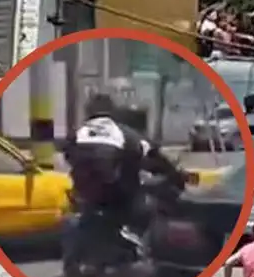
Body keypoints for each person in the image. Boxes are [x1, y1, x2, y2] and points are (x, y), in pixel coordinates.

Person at [63, 94, 184, 247]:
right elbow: (152, 155)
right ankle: (138, 239)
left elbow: (68, 155)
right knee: (149, 207)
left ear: (88, 112)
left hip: (85, 197)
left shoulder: (77, 134)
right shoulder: (124, 133)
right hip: (118, 198)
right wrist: (172, 173)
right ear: (113, 112)